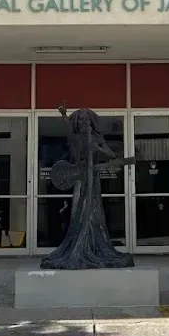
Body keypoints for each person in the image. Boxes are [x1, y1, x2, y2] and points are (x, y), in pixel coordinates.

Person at [40, 103, 135, 270]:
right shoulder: (75, 138)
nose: (83, 123)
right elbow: (68, 130)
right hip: (79, 179)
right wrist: (64, 115)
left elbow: (109, 153)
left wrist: (105, 151)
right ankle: (78, 244)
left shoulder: (97, 138)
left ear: (92, 122)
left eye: (86, 120)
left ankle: (94, 243)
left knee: (94, 211)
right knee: (80, 209)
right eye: (80, 120)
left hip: (93, 180)